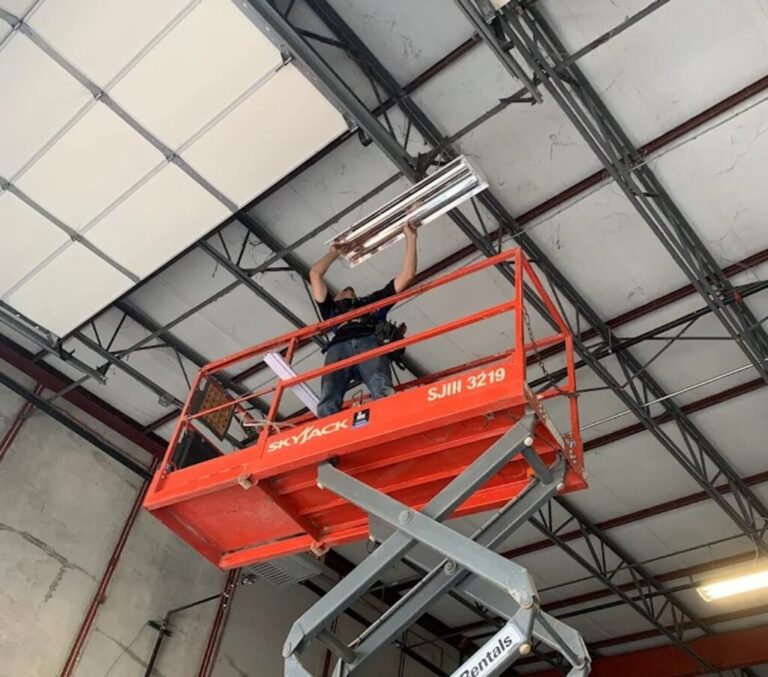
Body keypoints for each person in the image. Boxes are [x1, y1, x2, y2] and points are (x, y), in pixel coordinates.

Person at [310, 223, 418, 417]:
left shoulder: (371, 303)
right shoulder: (331, 310)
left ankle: (387, 413)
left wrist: (411, 238)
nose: (345, 290)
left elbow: (407, 276)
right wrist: (334, 253)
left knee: (381, 387)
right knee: (329, 395)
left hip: (368, 340)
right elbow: (315, 274)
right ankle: (328, 425)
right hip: (340, 346)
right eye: (339, 292)